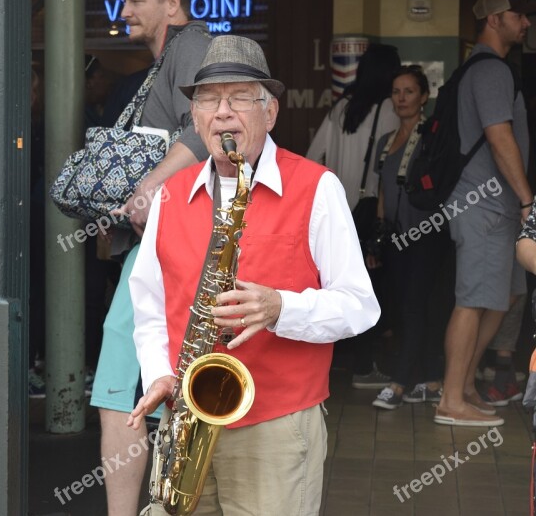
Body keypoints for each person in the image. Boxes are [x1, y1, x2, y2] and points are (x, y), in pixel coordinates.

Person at [128, 35, 380, 515]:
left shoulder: (317, 187)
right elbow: (149, 307)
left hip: (276, 429)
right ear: (195, 118)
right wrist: (159, 373)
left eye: (240, 97)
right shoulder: (169, 195)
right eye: (207, 99)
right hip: (188, 422)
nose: (222, 112)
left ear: (270, 113)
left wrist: (281, 307)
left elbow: (359, 305)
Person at [86, 0, 211, 514]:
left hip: (185, 238)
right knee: (133, 376)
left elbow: (203, 127)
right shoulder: (163, 62)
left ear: (173, 4)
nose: (125, 9)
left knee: (135, 379)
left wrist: (147, 186)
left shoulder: (196, 45)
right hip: (160, 240)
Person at [434, 0, 533, 427]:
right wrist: (528, 198)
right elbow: (499, 136)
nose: (526, 24)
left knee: (506, 295)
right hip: (486, 204)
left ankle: (466, 385)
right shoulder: (490, 70)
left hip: (496, 206)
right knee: (473, 300)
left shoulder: (488, 68)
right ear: (495, 19)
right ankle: (450, 399)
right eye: (518, 16)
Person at [306, 44, 401, 390]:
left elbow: (314, 155)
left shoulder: (342, 108)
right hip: (372, 208)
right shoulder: (390, 109)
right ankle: (365, 364)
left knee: (337, 282)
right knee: (374, 286)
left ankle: (340, 359)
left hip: (338, 207)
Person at [367, 66, 450, 410]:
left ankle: (400, 382)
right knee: (407, 308)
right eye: (396, 92)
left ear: (424, 97)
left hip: (427, 234)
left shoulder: (433, 136)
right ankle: (431, 379)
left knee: (416, 307)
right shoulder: (386, 142)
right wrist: (378, 234)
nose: (401, 98)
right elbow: (384, 191)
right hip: (396, 237)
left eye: (409, 92)